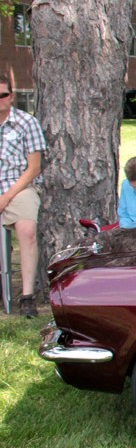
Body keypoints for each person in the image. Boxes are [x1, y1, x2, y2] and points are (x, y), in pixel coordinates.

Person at [0, 75, 45, 316]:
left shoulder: (27, 123)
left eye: (3, 95)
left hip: (19, 185)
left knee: (27, 231)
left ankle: (27, 296)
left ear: (12, 96)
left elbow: (34, 168)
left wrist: (6, 197)